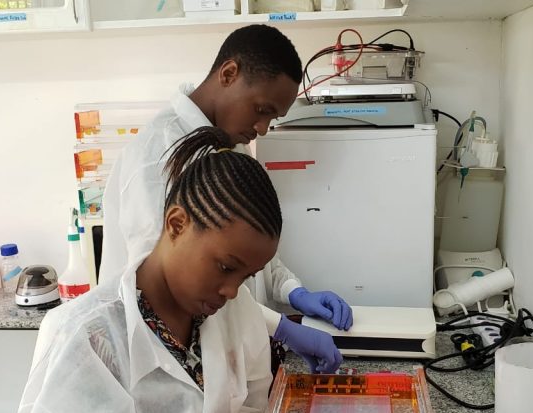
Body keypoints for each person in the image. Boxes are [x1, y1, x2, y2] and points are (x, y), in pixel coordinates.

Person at [14, 127, 299, 413]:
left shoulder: (233, 310)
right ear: (177, 223)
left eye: (246, 276)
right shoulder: (85, 338)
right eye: (225, 267)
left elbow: (251, 410)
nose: (231, 289)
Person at [99, 24, 352, 374]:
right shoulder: (156, 158)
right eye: (261, 110)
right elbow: (171, 285)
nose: (263, 128)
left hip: (231, 350)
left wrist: (293, 290)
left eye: (274, 117)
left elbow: (246, 248)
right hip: (160, 359)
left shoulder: (232, 145)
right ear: (229, 74)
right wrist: (281, 328)